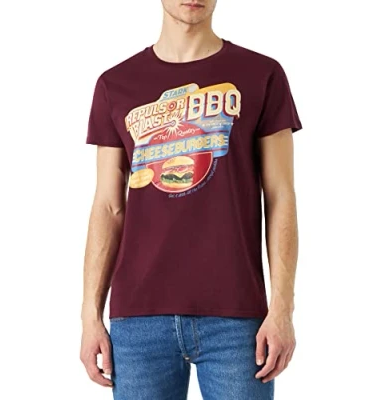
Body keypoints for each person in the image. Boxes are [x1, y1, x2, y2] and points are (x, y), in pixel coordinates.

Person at [80, 0, 302, 399]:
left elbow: (281, 196)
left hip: (237, 318)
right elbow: (108, 207)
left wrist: (282, 308)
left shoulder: (261, 74)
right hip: (138, 318)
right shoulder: (116, 84)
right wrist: (89, 315)